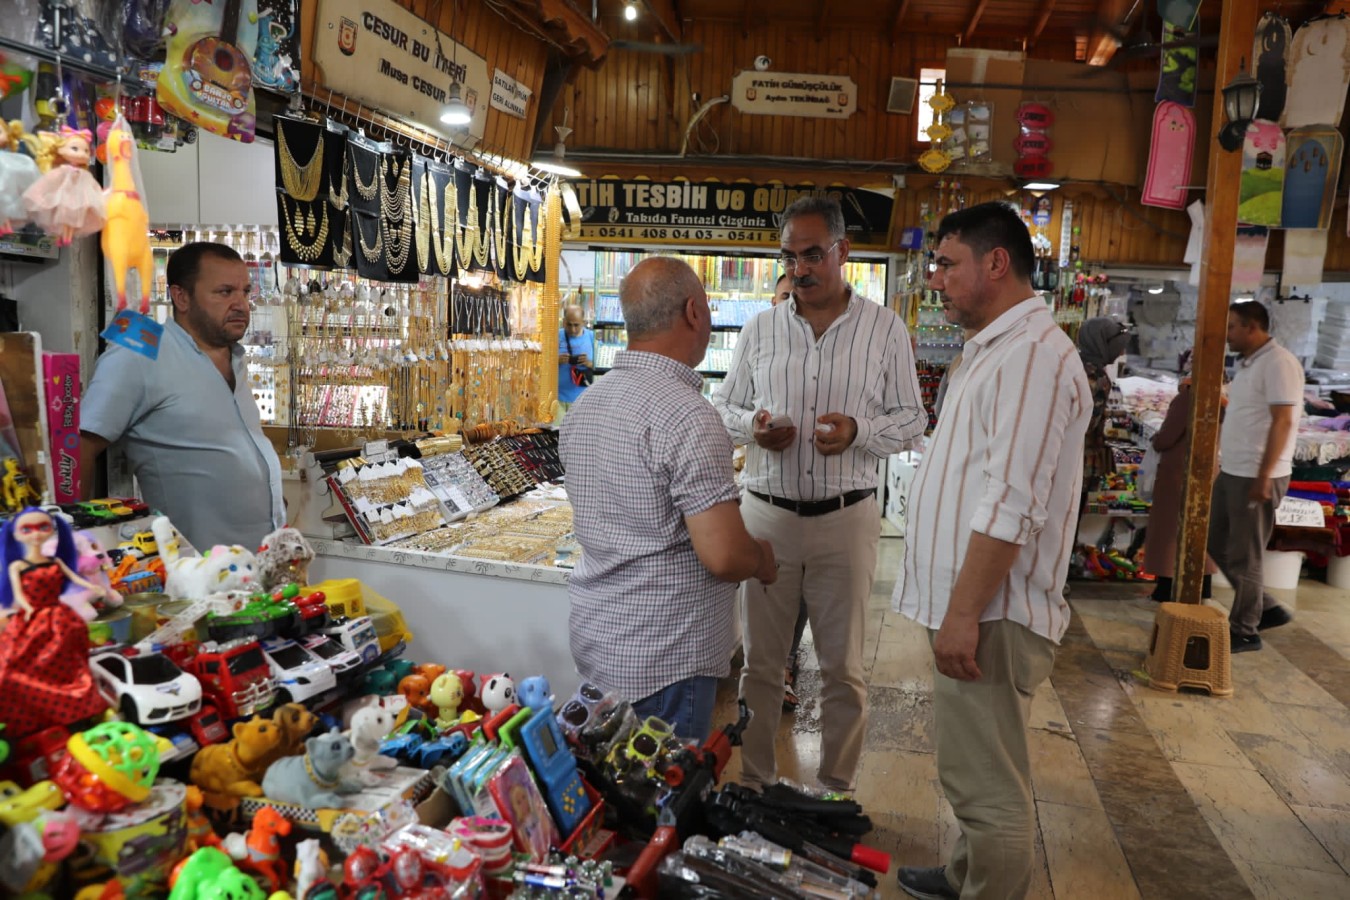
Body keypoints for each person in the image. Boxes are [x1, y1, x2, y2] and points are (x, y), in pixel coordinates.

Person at [893, 201, 1091, 900]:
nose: (935, 279)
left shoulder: (1034, 358)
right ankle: (963, 875)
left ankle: (988, 885)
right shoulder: (997, 351)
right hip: (974, 606)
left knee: (988, 788)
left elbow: (1013, 505)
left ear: (996, 263)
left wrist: (962, 614)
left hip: (991, 612)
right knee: (969, 768)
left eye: (947, 264)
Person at [714, 196, 926, 793]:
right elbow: (723, 406)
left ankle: (836, 789)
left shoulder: (884, 329)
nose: (801, 269)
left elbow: (912, 418)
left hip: (847, 517)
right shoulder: (761, 328)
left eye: (813, 255)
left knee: (843, 669)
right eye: (790, 256)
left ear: (843, 253)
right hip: (766, 518)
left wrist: (860, 432)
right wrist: (753, 425)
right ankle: (755, 783)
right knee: (759, 666)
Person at [560, 256, 777, 742]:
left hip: (600, 638)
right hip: (667, 657)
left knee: (613, 797)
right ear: (695, 312)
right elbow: (723, 555)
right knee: (665, 804)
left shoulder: (587, 404)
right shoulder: (688, 415)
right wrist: (761, 557)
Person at [80, 242, 283, 551]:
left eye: (245, 291)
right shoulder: (141, 355)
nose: (242, 304)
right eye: (225, 292)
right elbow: (80, 447)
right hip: (194, 576)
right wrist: (73, 543)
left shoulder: (236, 359)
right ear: (181, 297)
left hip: (261, 566)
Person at [1210, 301, 1302, 653]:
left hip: (1256, 474)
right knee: (1214, 538)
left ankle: (1245, 629)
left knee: (1246, 555)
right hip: (1234, 470)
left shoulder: (1279, 363)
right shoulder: (1249, 364)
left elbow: (1283, 421)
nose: (1228, 334)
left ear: (1252, 327)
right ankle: (1264, 606)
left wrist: (1264, 476)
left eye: (1232, 327)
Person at [0, 507, 111, 741]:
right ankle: (31, 720)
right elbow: (18, 594)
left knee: (70, 666)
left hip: (61, 620)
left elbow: (75, 578)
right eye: (27, 529)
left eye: (43, 527)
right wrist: (27, 608)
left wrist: (95, 587)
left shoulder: (56, 561)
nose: (36, 534)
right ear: (17, 534)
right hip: (31, 620)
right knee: (12, 669)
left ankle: (75, 714)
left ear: (51, 529)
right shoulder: (17, 566)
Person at [1143, 366, 1220, 601]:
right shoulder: (1219, 398)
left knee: (1170, 531)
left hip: (1179, 471)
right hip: (1207, 470)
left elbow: (1167, 437)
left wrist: (1156, 439)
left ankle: (1166, 587)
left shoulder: (1187, 398)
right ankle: (1202, 587)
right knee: (1200, 531)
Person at [1077, 316, 1131, 492]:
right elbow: (1086, 424)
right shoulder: (1097, 379)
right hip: (1081, 464)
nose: (1121, 353)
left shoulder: (1075, 366)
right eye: (1118, 347)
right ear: (1102, 344)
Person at [557, 304, 595, 414]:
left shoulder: (592, 337)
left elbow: (604, 366)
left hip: (585, 400)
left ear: (583, 322)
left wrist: (589, 363)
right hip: (558, 399)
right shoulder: (555, 337)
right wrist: (556, 361)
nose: (572, 329)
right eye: (569, 325)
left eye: (576, 325)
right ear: (564, 321)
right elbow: (542, 364)